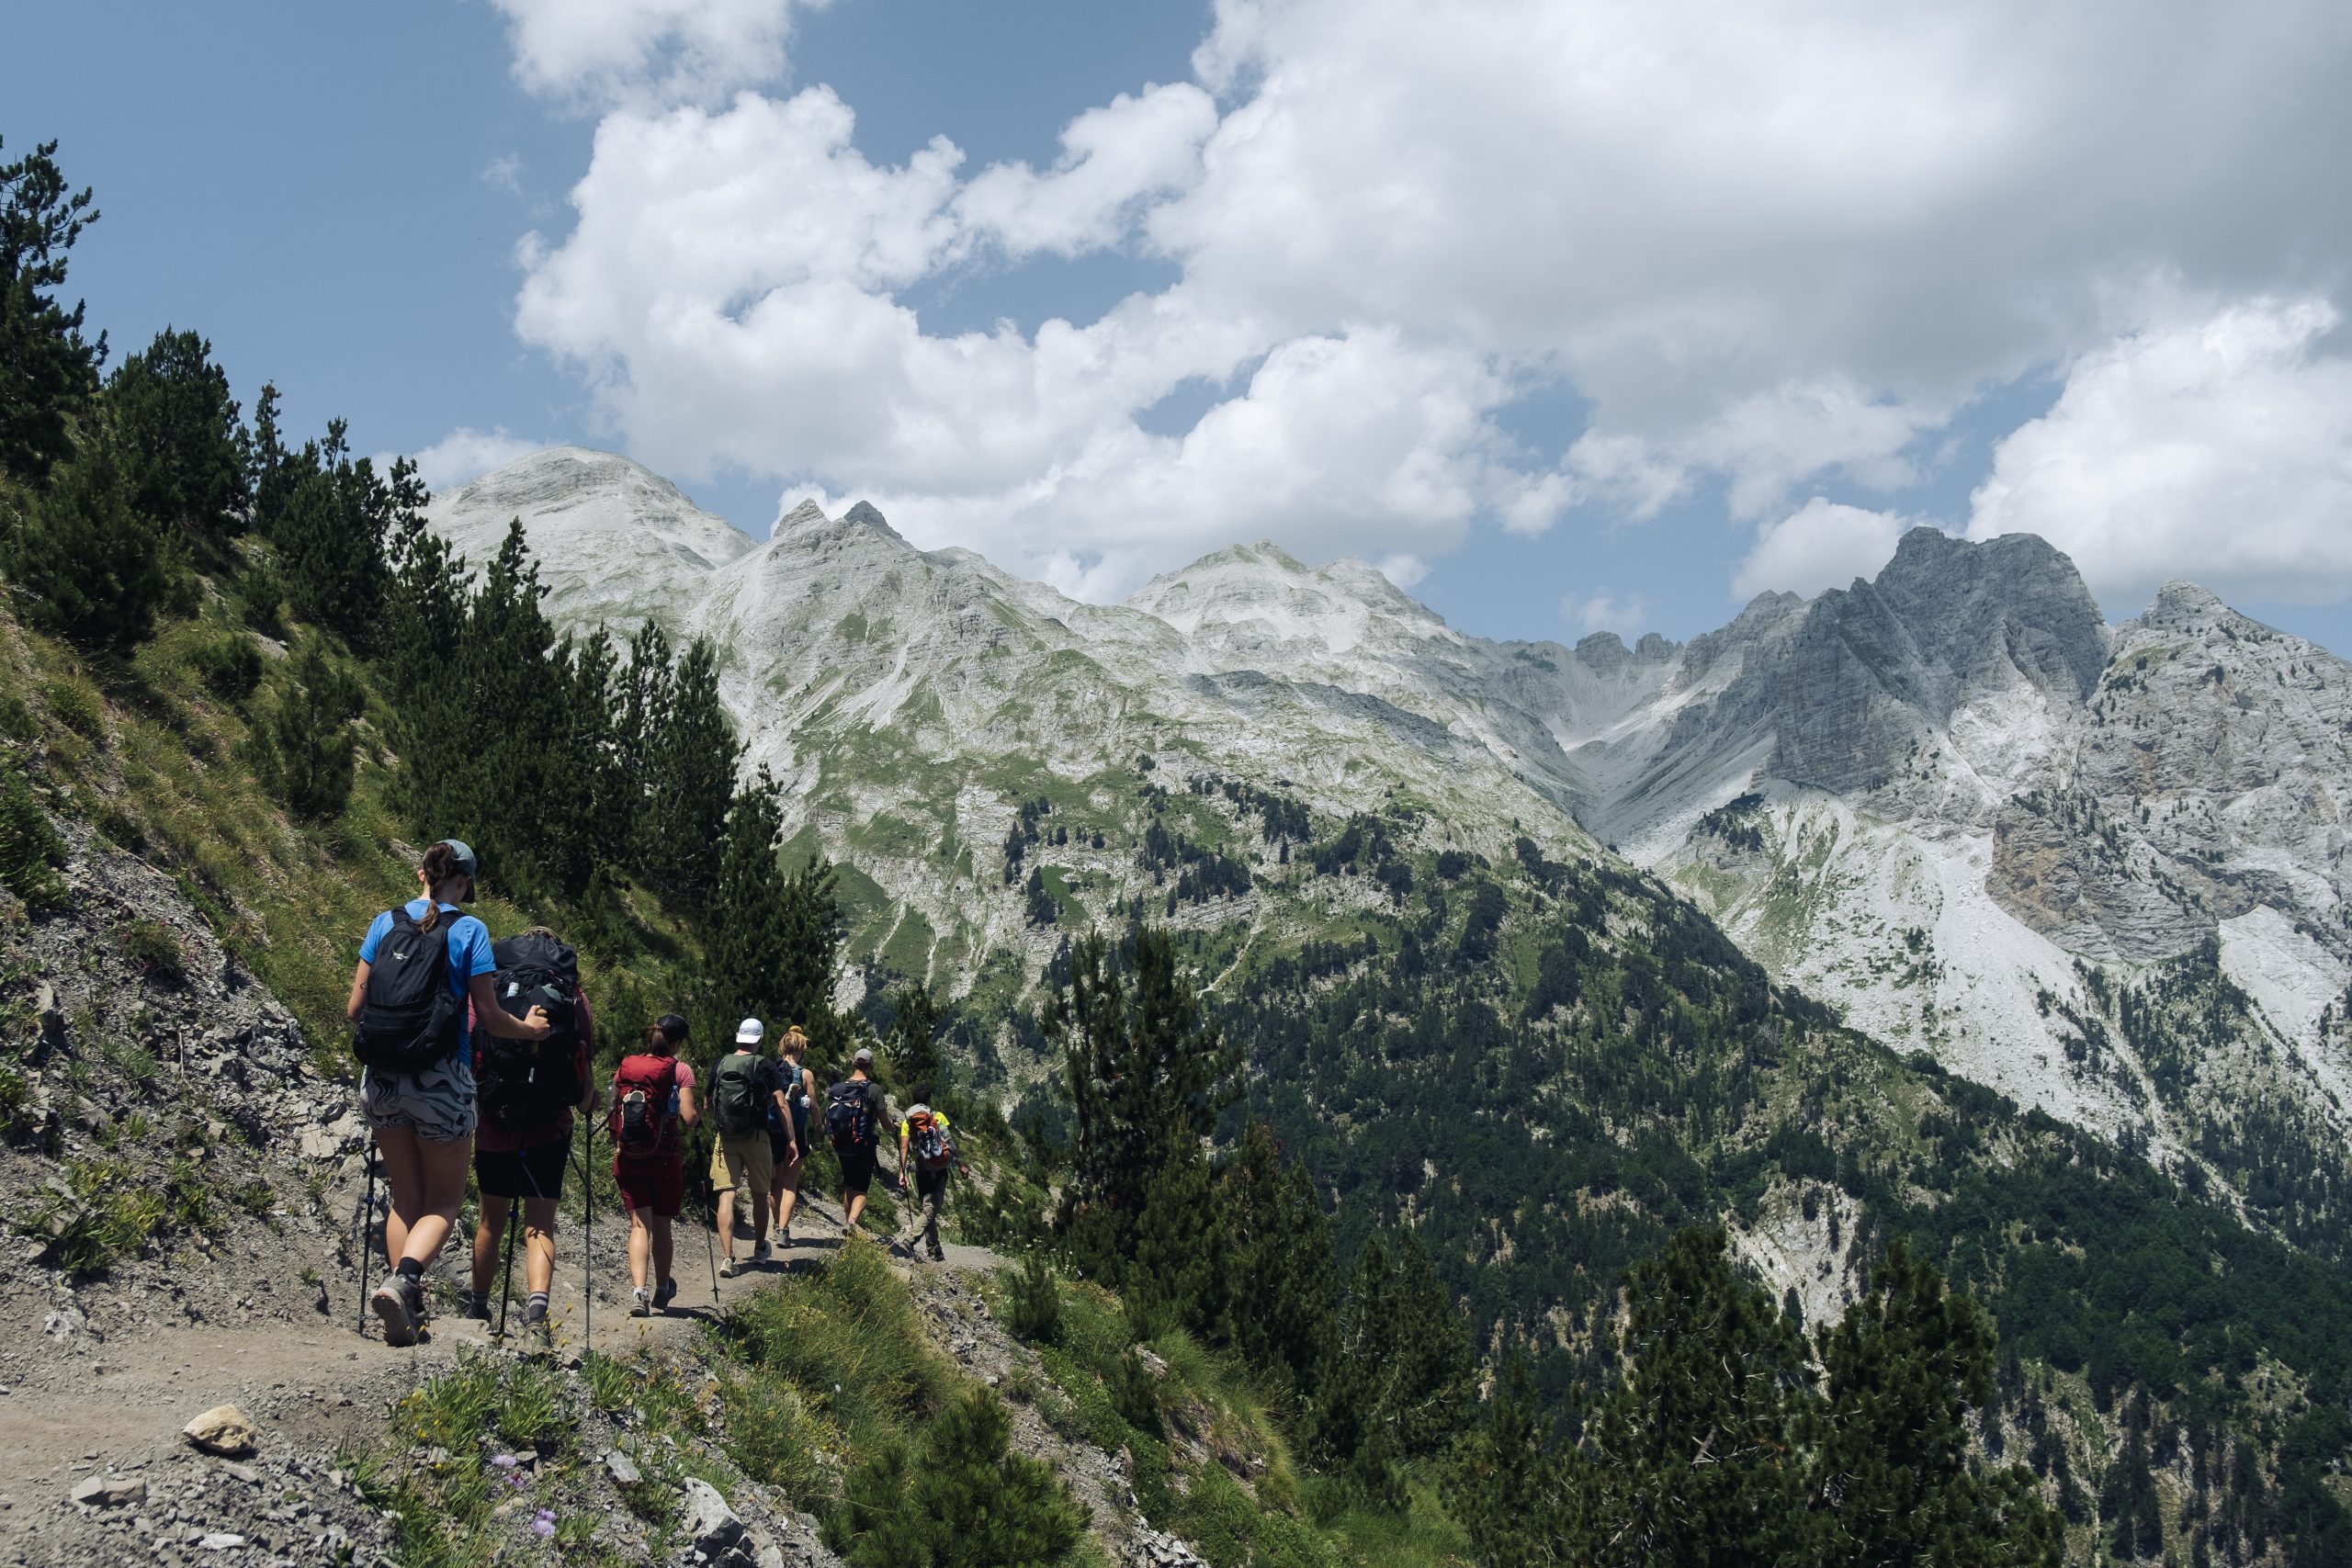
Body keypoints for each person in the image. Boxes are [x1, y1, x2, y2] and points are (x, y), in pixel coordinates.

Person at [346, 840, 550, 1347]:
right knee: (443, 1202)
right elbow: (490, 1017)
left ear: (422, 874)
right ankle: (403, 1281)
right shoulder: (469, 930)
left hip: (382, 1080)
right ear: (464, 882)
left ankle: (403, 1306)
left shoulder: (383, 922)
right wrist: (530, 1031)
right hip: (441, 1081)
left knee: (405, 1198)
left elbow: (356, 1009)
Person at [466, 927, 595, 1352]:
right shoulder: (574, 997)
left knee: (491, 1221)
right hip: (549, 1125)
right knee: (540, 1226)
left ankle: (479, 1311)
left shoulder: (492, 985)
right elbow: (584, 1083)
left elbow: (470, 1049)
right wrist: (589, 1102)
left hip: (494, 1119)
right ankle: (536, 1323)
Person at [611, 1013, 699, 1316]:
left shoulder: (628, 1065)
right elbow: (688, 1118)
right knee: (662, 1224)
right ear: (675, 1043)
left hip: (630, 1155)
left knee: (639, 1225)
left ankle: (639, 1293)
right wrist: (696, 1116)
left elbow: (615, 1105)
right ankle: (662, 1288)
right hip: (664, 1157)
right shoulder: (680, 1070)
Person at [708, 1017, 786, 1277]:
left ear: (738, 1036)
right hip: (757, 1136)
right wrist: (793, 1139)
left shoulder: (720, 1063)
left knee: (726, 1194)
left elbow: (708, 1102)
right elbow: (780, 1102)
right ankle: (760, 1247)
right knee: (759, 1194)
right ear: (760, 1039)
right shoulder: (765, 1064)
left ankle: (727, 1258)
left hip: (726, 1137)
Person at [895, 1085, 967, 1264]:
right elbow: (949, 1142)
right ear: (928, 1100)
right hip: (938, 1168)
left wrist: (902, 1172)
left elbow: (904, 1148)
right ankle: (910, 1240)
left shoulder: (907, 1122)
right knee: (930, 1209)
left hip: (921, 1169)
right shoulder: (937, 1116)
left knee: (927, 1207)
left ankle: (934, 1250)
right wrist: (960, 1164)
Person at [825, 1046, 889, 1232]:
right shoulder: (874, 1089)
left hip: (841, 1144)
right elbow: (885, 1123)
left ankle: (848, 1225)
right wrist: (894, 1128)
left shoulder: (839, 1088)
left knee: (849, 1185)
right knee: (861, 1189)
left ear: (853, 1064)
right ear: (871, 1066)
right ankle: (851, 1223)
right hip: (863, 1145)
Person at [770, 1025, 819, 1246]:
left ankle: (774, 1224)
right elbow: (814, 1104)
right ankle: (783, 1230)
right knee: (790, 1184)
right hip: (796, 1133)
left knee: (775, 1183)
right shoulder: (806, 1074)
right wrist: (819, 1124)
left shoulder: (772, 1068)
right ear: (800, 1049)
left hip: (773, 1132)